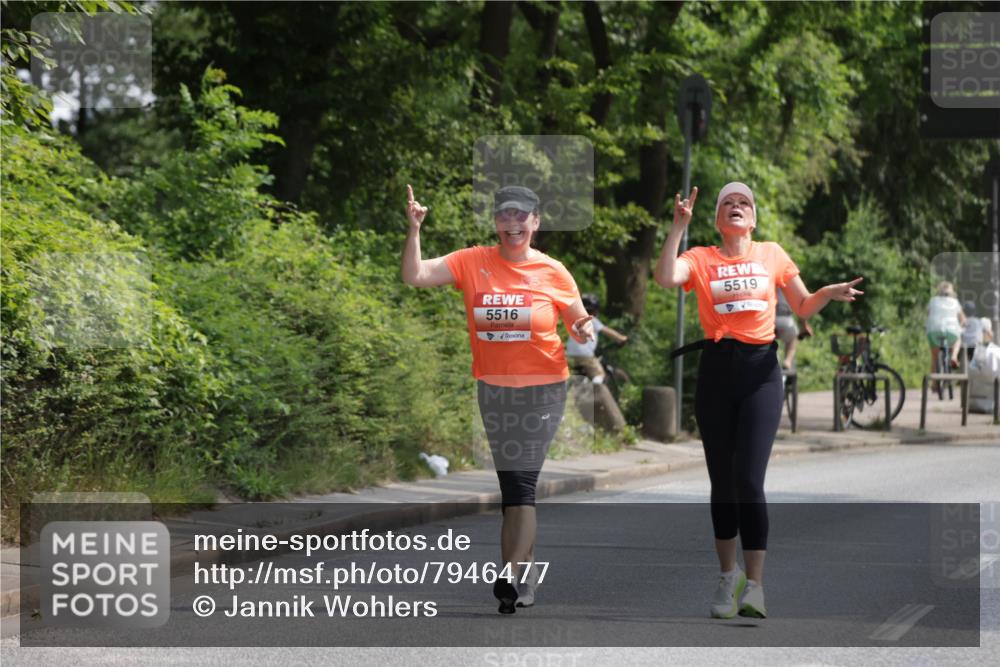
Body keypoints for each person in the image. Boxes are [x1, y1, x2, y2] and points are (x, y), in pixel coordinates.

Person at [653, 182, 863, 620]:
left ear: (753, 219)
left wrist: (826, 293)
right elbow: (665, 277)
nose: (736, 206)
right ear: (717, 219)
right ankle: (727, 576)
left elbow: (802, 306)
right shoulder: (701, 258)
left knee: (749, 481)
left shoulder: (772, 254)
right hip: (716, 372)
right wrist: (678, 228)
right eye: (727, 203)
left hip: (760, 373)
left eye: (743, 203)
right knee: (722, 482)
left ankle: (756, 586)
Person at [401, 184, 594, 614]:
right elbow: (415, 276)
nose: (513, 223)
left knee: (522, 483)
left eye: (521, 215)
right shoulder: (473, 261)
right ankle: (524, 576)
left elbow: (578, 320)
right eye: (505, 215)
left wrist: (582, 329)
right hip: (494, 389)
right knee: (512, 489)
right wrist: (414, 230)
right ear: (495, 222)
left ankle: (508, 574)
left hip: (543, 389)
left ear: (535, 222)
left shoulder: (553, 271)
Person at [565, 294, 629, 384]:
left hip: (569, 353)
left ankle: (582, 385)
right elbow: (607, 331)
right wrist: (621, 338)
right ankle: (597, 390)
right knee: (599, 374)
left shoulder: (576, 319)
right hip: (584, 354)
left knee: (580, 374)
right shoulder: (591, 320)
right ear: (595, 310)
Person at [926, 281, 966, 372]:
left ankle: (934, 380)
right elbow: (963, 319)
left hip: (933, 331)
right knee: (958, 339)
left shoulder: (933, 300)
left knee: (934, 357)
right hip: (951, 331)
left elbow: (928, 315)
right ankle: (954, 357)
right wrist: (960, 327)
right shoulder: (955, 302)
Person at [774, 290, 813, 370]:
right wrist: (804, 326)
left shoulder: (769, 285)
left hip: (769, 320)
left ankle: (775, 359)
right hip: (786, 319)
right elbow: (801, 311)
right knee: (792, 339)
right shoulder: (790, 288)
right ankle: (787, 361)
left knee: (768, 341)